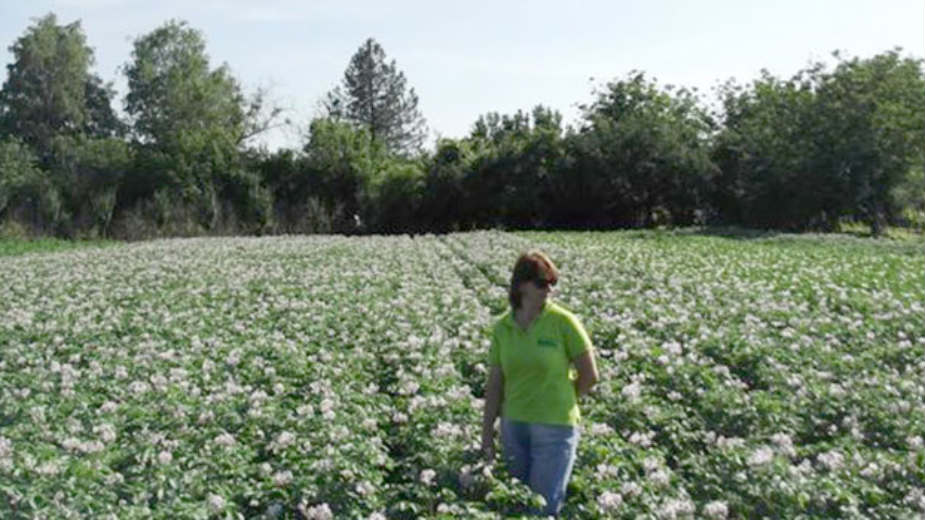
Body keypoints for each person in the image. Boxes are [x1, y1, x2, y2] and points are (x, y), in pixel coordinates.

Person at [481, 250, 599, 517]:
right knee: (516, 504)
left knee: (542, 509)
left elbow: (590, 375)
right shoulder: (503, 327)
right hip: (514, 427)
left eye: (552, 283)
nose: (549, 290)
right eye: (542, 283)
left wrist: (564, 399)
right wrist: (487, 433)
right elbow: (495, 386)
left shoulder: (563, 322)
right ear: (521, 285)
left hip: (555, 428)